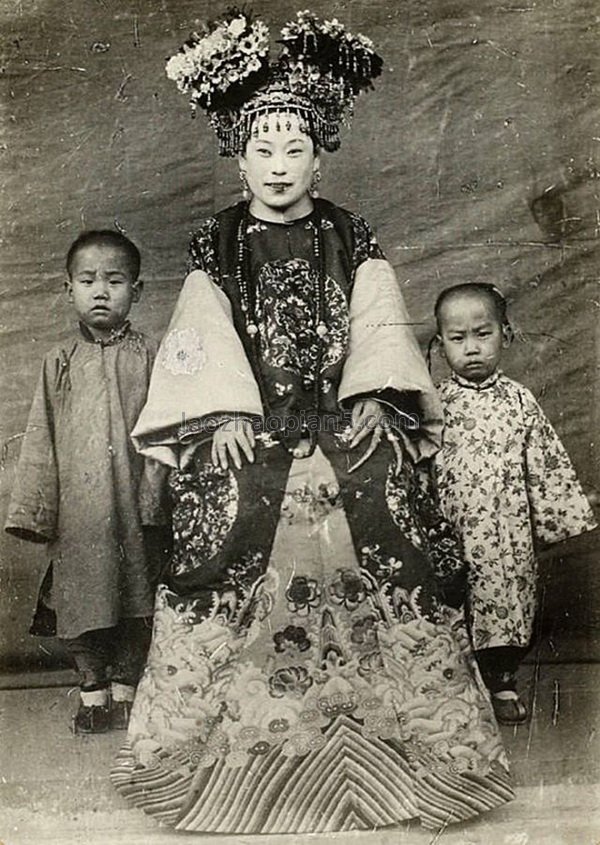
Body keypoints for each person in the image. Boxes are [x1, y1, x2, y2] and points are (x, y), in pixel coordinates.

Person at [111, 10, 513, 833]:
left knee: (385, 481)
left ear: (320, 156)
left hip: (336, 409)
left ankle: (411, 744)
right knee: (231, 489)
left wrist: (375, 394)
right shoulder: (217, 241)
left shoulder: (348, 232)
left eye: (296, 149)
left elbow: (377, 320)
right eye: (264, 149)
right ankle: (231, 756)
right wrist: (220, 409)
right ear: (240, 154)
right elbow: (201, 332)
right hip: (254, 416)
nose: (280, 165)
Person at [5, 230, 170, 734]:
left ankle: (126, 689)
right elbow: (40, 439)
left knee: (138, 595)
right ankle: (92, 690)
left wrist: (158, 495)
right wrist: (36, 511)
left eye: (115, 281)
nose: (101, 291)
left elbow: (167, 431)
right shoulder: (59, 362)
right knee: (83, 599)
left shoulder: (151, 355)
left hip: (136, 502)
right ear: (68, 288)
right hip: (80, 514)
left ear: (136, 292)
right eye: (88, 280)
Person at [432, 282, 597, 725]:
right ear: (440, 343)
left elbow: (544, 461)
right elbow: (416, 467)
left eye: (482, 334)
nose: (471, 349)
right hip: (453, 529)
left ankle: (502, 682)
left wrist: (557, 518)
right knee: (452, 602)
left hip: (506, 534)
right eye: (457, 338)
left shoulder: (519, 400)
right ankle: (454, 688)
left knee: (505, 603)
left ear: (506, 333)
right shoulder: (434, 404)